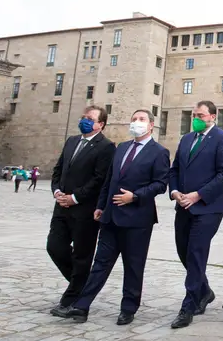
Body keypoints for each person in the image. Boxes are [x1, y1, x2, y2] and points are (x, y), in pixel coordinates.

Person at [52, 110, 170, 325]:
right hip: (111, 216)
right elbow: (109, 180)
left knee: (133, 265)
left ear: (151, 125)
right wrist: (100, 206)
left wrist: (134, 196)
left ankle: (128, 308)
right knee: (100, 264)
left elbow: (160, 184)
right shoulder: (121, 148)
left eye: (141, 119)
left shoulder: (159, 152)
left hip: (137, 219)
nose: (136, 123)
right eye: (134, 119)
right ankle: (81, 306)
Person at [168, 100, 223, 329]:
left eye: (200, 115)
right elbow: (175, 168)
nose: (195, 118)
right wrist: (175, 191)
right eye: (193, 114)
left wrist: (198, 195)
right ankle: (205, 291)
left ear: (212, 117)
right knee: (182, 250)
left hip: (209, 206)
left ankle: (189, 306)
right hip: (183, 205)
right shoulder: (187, 139)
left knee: (196, 252)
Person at [47, 106, 116, 313]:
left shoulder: (106, 147)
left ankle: (73, 297)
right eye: (83, 116)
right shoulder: (71, 141)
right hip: (61, 207)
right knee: (55, 247)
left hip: (84, 210)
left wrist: (75, 198)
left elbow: (99, 179)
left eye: (90, 118)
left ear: (100, 124)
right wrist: (57, 191)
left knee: (82, 255)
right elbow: (59, 169)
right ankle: (81, 284)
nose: (84, 120)